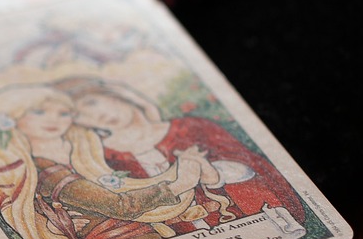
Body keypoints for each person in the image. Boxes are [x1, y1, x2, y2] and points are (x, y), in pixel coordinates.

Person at [0, 84, 210, 239]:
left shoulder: (82, 152)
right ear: (11, 118)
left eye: (64, 113)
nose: (54, 119)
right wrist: (179, 184)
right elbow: (120, 205)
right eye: (39, 112)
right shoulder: (43, 169)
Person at [52, 76, 306, 230]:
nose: (95, 115)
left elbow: (259, 172)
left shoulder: (192, 127)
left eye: (92, 103)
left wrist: (210, 173)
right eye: (81, 115)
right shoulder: (106, 159)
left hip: (248, 229)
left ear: (116, 95)